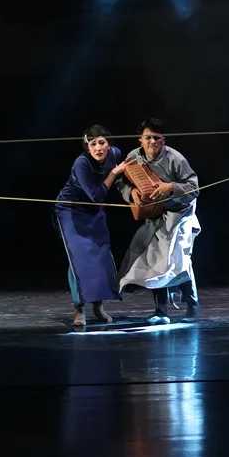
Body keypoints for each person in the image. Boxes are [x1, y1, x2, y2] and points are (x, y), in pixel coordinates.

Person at [116, 118, 201, 324]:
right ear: (140, 140)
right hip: (156, 213)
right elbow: (121, 181)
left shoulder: (175, 159)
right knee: (156, 259)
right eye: (148, 138)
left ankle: (192, 303)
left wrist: (170, 187)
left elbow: (194, 188)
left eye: (156, 137)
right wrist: (132, 192)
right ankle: (161, 311)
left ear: (163, 140)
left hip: (180, 213)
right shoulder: (133, 158)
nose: (152, 141)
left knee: (179, 260)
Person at [53, 125, 135, 327]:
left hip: (94, 212)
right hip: (71, 211)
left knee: (101, 257)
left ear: (109, 144)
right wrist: (114, 173)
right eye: (92, 144)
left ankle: (98, 306)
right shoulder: (81, 163)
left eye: (102, 142)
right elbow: (96, 196)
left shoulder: (114, 154)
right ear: (87, 147)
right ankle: (78, 309)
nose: (98, 148)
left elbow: (120, 181)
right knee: (78, 260)